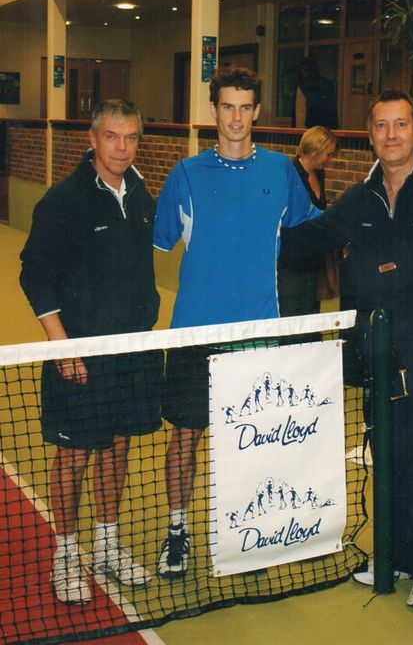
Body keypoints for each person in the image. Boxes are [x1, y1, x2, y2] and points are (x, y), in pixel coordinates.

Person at [280, 90, 413, 611]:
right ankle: (392, 555)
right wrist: (246, 223)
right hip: (380, 360)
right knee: (390, 462)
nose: (391, 136)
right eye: (381, 126)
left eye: (401, 125)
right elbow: (304, 239)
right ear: (370, 134)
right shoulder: (360, 198)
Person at [153, 66, 319, 579]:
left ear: (257, 112)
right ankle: (177, 532)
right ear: (212, 111)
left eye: (246, 107)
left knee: (248, 443)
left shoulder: (280, 172)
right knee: (185, 437)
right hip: (193, 335)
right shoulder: (184, 176)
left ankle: (243, 533)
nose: (237, 118)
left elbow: (314, 230)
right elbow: (153, 244)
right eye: (228, 106)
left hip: (256, 339)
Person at [20, 99, 162, 604]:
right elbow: (33, 276)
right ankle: (65, 552)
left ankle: (105, 543)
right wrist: (64, 348)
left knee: (118, 447)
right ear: (92, 138)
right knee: (74, 457)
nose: (122, 147)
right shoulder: (64, 201)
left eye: (130, 138)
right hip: (79, 354)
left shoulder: (142, 193)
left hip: (133, 352)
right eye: (111, 137)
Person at [277, 125, 337, 317]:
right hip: (292, 261)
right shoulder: (290, 173)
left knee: (311, 314)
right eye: (328, 154)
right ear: (316, 150)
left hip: (313, 259)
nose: (330, 159)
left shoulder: (320, 174)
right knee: (292, 315)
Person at [292, 57, 338, 130]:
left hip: (316, 128)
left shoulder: (323, 84)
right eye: (302, 69)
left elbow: (330, 108)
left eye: (305, 69)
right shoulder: (300, 84)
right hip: (310, 128)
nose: (303, 71)